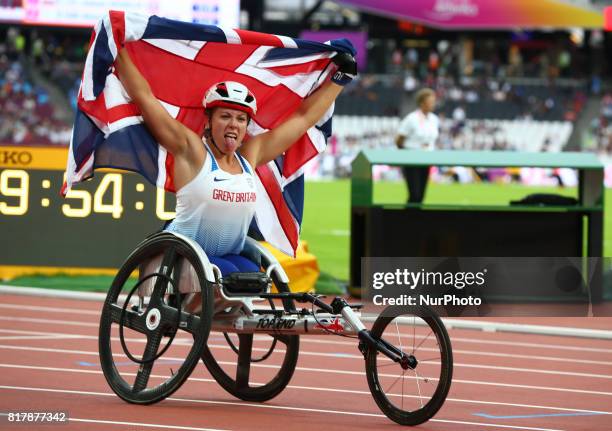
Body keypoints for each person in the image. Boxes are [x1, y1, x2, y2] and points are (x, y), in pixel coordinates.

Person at [114, 47, 356, 276]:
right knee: (233, 277)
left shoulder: (250, 156)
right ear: (208, 121)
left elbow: (303, 119)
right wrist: (117, 49)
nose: (234, 124)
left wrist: (339, 80)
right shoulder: (193, 150)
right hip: (184, 256)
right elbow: (144, 98)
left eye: (241, 119)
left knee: (255, 278)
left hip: (229, 255)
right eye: (226, 116)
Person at [395, 88, 439, 204]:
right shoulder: (412, 118)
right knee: (414, 193)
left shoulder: (434, 119)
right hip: (412, 159)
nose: (433, 104)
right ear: (422, 103)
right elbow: (399, 139)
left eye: (434, 101)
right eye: (431, 102)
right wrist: (406, 153)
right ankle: (407, 218)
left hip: (426, 159)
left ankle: (415, 219)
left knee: (421, 195)